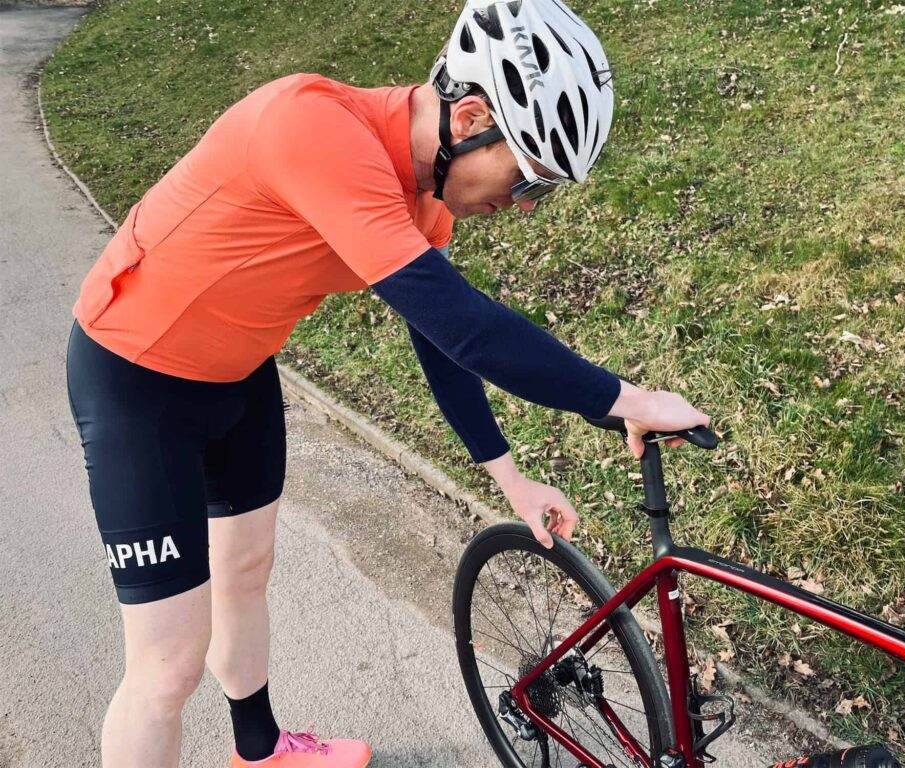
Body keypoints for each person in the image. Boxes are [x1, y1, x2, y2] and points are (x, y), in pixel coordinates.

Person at [63, 0, 709, 766]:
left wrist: (509, 479)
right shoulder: (313, 130)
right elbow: (469, 327)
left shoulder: (424, 197)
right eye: (529, 181)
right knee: (166, 665)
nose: (526, 207)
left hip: (239, 370)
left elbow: (441, 341)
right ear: (470, 119)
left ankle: (260, 748)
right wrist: (628, 399)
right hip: (136, 377)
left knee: (245, 568)